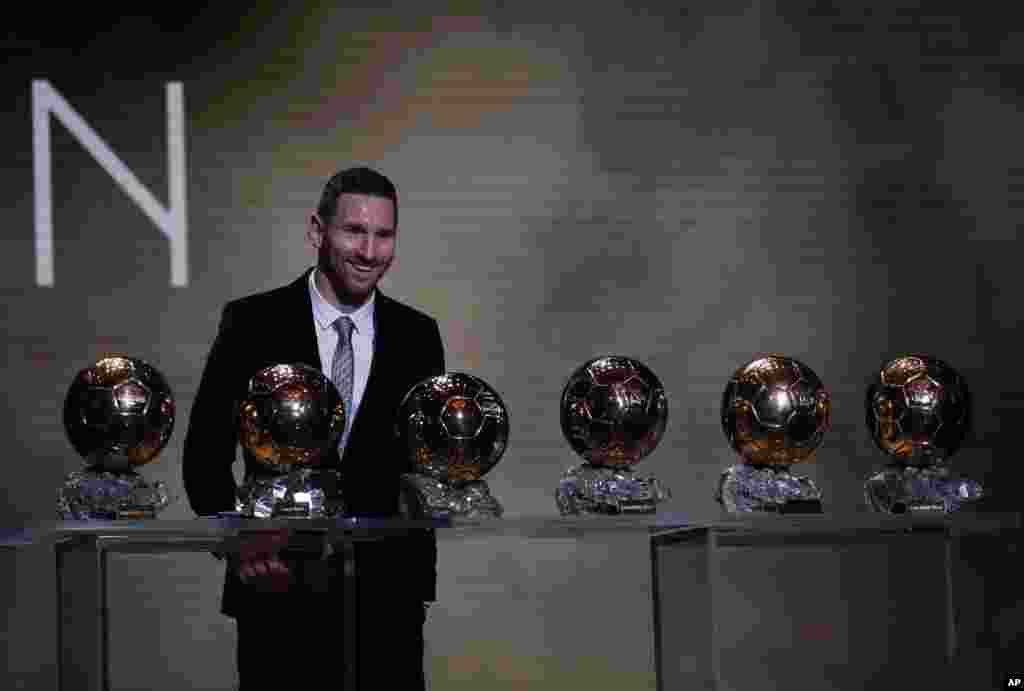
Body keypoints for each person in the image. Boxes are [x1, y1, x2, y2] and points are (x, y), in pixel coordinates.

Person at [183, 167, 444, 690]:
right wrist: (240, 541)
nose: (369, 252)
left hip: (387, 602)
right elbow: (204, 454)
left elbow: (422, 469)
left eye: (383, 235)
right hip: (279, 592)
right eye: (354, 231)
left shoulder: (420, 337)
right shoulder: (252, 323)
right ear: (316, 231)